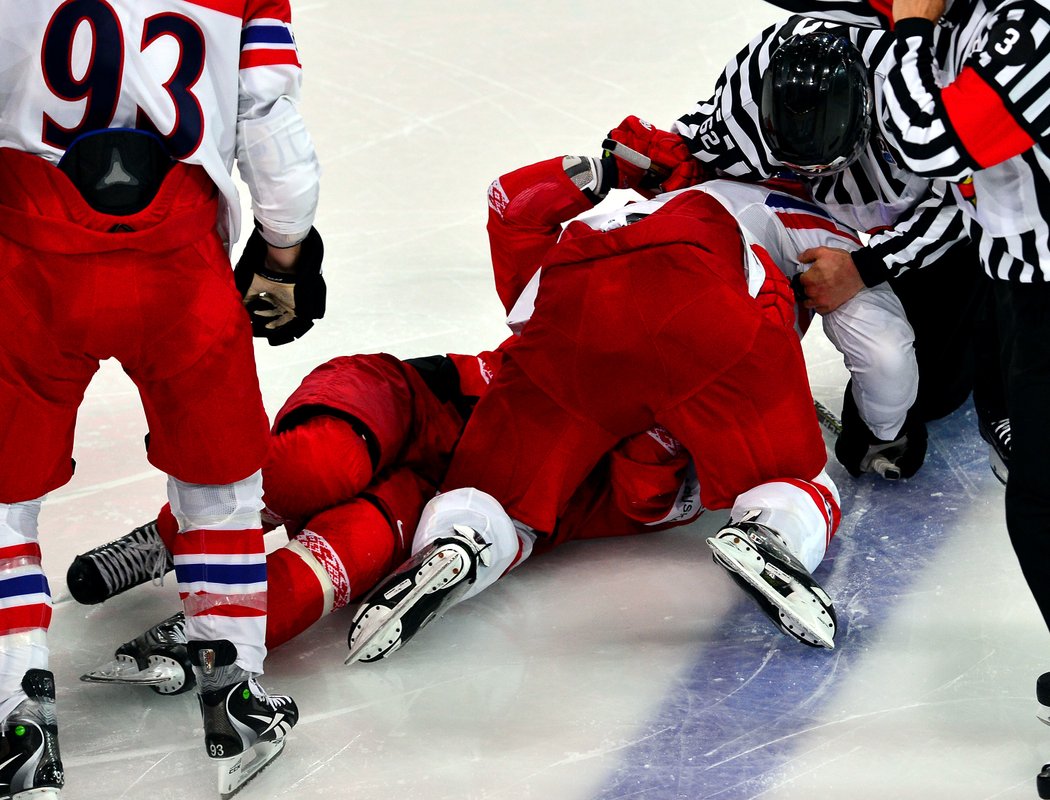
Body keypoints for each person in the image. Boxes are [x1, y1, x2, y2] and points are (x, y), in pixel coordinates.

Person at [67, 152, 849, 694]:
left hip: (446, 480)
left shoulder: (677, 438)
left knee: (351, 543)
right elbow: (643, 495)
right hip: (406, 399)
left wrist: (599, 171)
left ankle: (211, 639)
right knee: (320, 473)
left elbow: (510, 206)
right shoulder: (687, 398)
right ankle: (167, 544)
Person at [0, 2, 323, 797]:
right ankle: (234, 694)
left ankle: (15, 710)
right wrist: (286, 246)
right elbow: (265, 111)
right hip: (179, 259)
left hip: (29, 251)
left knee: (2, 494)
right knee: (219, 482)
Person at [612, 17, 996, 481]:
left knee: (933, 392)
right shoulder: (750, 91)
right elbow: (701, 146)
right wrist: (657, 161)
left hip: (936, 218)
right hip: (796, 205)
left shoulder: (926, 99)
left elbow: (966, 206)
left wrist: (865, 267)